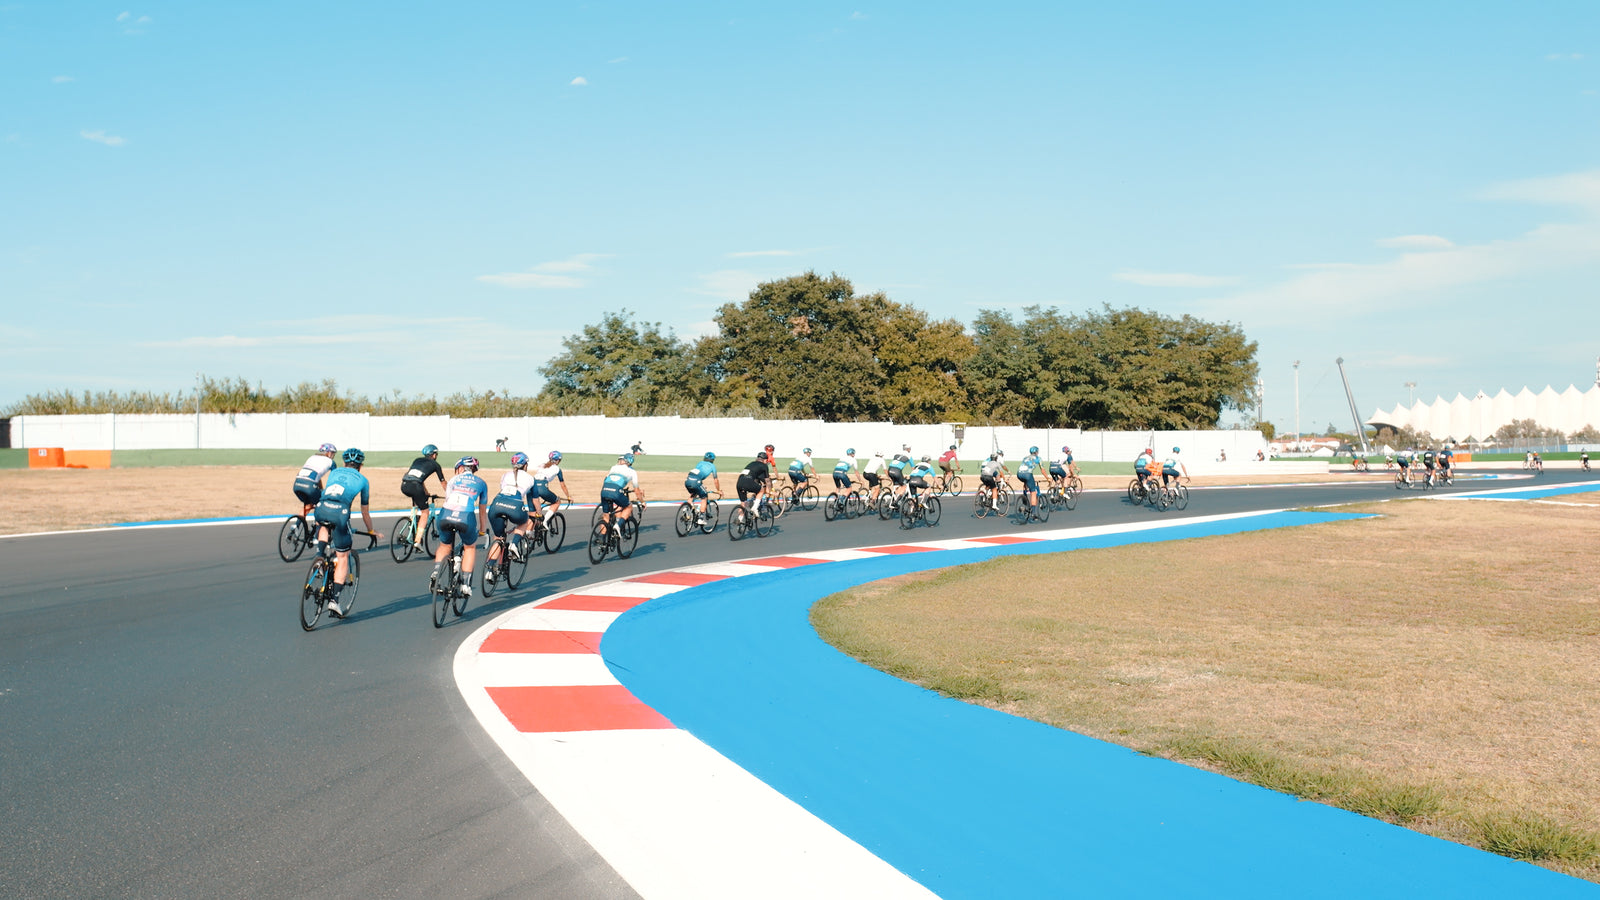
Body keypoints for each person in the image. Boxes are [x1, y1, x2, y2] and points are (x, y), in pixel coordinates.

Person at [311, 448, 378, 618]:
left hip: (321, 508)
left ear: (343, 463)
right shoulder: (364, 480)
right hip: (340, 513)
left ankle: (319, 558)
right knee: (343, 557)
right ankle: (334, 601)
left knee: (324, 526)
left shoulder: (334, 472)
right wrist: (370, 530)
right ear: (361, 465)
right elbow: (364, 512)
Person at [432, 457, 489, 601]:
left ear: (460, 468)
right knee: (469, 547)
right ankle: (465, 584)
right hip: (466, 518)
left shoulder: (453, 480)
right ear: (474, 470)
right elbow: (482, 510)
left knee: (445, 545)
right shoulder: (482, 483)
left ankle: (436, 573)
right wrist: (482, 530)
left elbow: (448, 500)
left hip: (446, 515)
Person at [483, 453, 535, 586]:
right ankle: (514, 543)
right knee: (524, 521)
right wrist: (537, 514)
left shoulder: (505, 475)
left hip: (496, 505)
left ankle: (489, 568)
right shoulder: (530, 478)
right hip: (515, 506)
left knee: (498, 538)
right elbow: (533, 500)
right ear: (525, 465)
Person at [399, 443, 447, 550]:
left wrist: (425, 492)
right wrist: (450, 495)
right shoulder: (435, 465)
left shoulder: (417, 460)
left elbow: (416, 477)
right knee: (425, 512)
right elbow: (443, 483)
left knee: (417, 503)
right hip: (416, 486)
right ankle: (417, 541)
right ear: (433, 455)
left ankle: (412, 523)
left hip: (405, 484)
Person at [598, 453, 644, 535]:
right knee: (628, 507)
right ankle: (618, 525)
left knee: (606, 517)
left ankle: (603, 541)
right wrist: (642, 502)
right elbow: (636, 490)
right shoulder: (632, 472)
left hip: (604, 490)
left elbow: (606, 479)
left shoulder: (614, 467)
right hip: (616, 492)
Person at [292, 442, 338, 517]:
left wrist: (321, 488)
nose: (333, 456)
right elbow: (334, 478)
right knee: (322, 505)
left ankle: (296, 525)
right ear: (329, 453)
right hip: (309, 487)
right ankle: (318, 526)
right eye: (333, 453)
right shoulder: (331, 462)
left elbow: (317, 478)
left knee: (308, 505)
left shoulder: (312, 457)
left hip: (297, 485)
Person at [530, 451, 573, 519]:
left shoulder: (542, 465)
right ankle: (545, 522)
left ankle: (530, 528)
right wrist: (568, 496)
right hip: (542, 488)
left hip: (532, 486)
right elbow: (563, 485)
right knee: (557, 502)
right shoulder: (557, 469)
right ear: (558, 460)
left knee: (533, 514)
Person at [685, 452, 721, 525]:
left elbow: (697, 474)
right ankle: (701, 519)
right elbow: (716, 480)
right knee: (704, 498)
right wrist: (718, 490)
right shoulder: (712, 466)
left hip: (688, 480)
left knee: (693, 494)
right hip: (696, 482)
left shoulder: (700, 462)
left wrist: (701, 485)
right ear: (713, 460)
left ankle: (687, 508)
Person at [1016, 446, 1043, 515]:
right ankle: (1033, 513)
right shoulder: (1038, 458)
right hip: (1028, 474)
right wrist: (1048, 478)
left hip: (1019, 474)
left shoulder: (1025, 458)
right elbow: (1042, 470)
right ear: (1037, 452)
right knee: (1033, 492)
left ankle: (1024, 501)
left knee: (1025, 483)